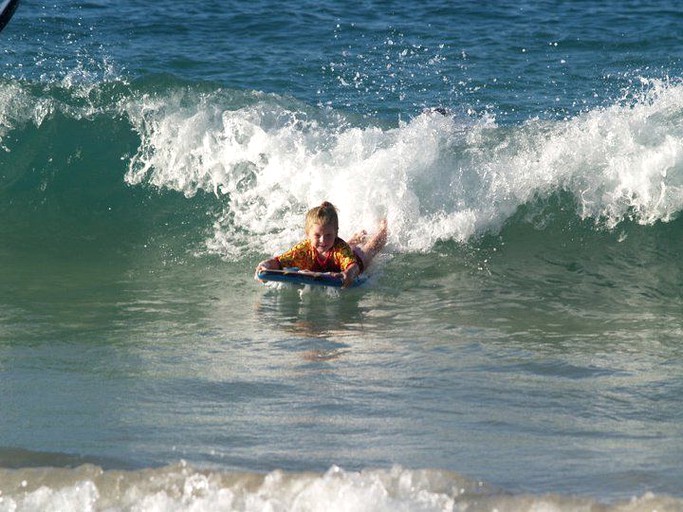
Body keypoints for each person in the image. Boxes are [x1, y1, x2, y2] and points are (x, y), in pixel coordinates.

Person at [255, 201, 387, 288]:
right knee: (332, 247)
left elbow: (353, 266)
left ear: (336, 233)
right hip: (336, 253)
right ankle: (355, 239)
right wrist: (264, 265)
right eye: (317, 236)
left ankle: (383, 229)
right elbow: (278, 262)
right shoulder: (303, 249)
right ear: (307, 234)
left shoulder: (340, 248)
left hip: (354, 259)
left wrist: (349, 273)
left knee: (371, 248)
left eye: (328, 235)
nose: (323, 240)